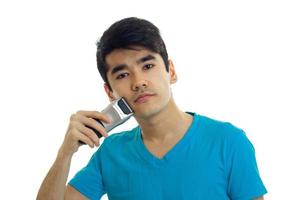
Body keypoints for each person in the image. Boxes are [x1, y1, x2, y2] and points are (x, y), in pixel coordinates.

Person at [37, 17, 267, 200]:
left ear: (171, 71)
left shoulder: (228, 141)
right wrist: (65, 154)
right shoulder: (111, 153)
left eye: (147, 66)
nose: (139, 82)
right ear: (110, 93)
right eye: (123, 74)